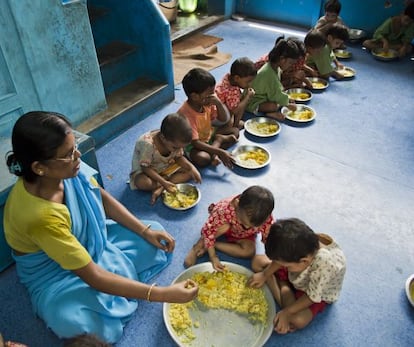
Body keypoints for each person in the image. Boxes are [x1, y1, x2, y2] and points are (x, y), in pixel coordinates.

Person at [3, 111, 198, 344]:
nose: (77, 156)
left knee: (154, 234)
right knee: (84, 327)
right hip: (54, 274)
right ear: (39, 167)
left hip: (88, 243)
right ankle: (118, 282)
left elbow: (100, 196)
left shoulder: (65, 167)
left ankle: (121, 274)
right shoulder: (39, 215)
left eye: (74, 148)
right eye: (68, 154)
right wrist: (160, 294)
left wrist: (145, 231)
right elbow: (94, 277)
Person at [248, 218, 346, 334]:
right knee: (256, 262)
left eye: (286, 265)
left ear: (304, 261)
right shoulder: (299, 246)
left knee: (298, 320)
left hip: (314, 291)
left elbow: (311, 296)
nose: (283, 266)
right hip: (299, 271)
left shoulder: (325, 265)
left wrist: (287, 312)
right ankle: (280, 282)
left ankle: (284, 286)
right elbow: (279, 260)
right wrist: (265, 275)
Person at [184, 185, 274, 271]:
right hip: (227, 227)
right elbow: (209, 231)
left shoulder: (265, 219)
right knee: (221, 227)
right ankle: (199, 245)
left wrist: (272, 260)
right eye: (243, 221)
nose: (246, 227)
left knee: (249, 252)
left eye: (253, 226)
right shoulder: (224, 210)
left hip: (244, 236)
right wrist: (213, 257)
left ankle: (213, 245)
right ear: (236, 204)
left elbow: (268, 239)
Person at [129, 113, 201, 204]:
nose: (178, 150)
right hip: (147, 171)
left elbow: (179, 157)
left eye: (180, 147)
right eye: (175, 148)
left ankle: (162, 187)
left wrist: (191, 167)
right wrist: (162, 181)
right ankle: (166, 183)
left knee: (189, 173)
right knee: (142, 182)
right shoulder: (148, 145)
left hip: (165, 167)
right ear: (163, 138)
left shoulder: (173, 142)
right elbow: (145, 167)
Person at [178, 68, 238, 169]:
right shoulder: (186, 114)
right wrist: (220, 152)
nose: (213, 96)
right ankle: (218, 145)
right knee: (203, 158)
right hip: (193, 145)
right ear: (195, 96)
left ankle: (217, 143)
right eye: (210, 94)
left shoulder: (205, 103)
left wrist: (218, 103)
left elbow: (224, 119)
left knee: (235, 131)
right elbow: (195, 142)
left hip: (208, 135)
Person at [246, 37, 301, 121]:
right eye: (290, 63)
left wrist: (287, 99)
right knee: (273, 106)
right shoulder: (268, 74)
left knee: (281, 101)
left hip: (264, 96)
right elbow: (276, 94)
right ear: (282, 59)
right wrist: (288, 104)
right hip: (252, 101)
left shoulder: (274, 67)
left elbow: (276, 89)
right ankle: (269, 113)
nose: (290, 65)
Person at [215, 57, 257, 130]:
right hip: (216, 118)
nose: (250, 85)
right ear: (237, 78)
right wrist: (248, 97)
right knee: (241, 103)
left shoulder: (228, 78)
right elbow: (235, 110)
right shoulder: (231, 91)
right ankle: (227, 128)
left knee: (239, 99)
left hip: (213, 112)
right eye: (248, 81)